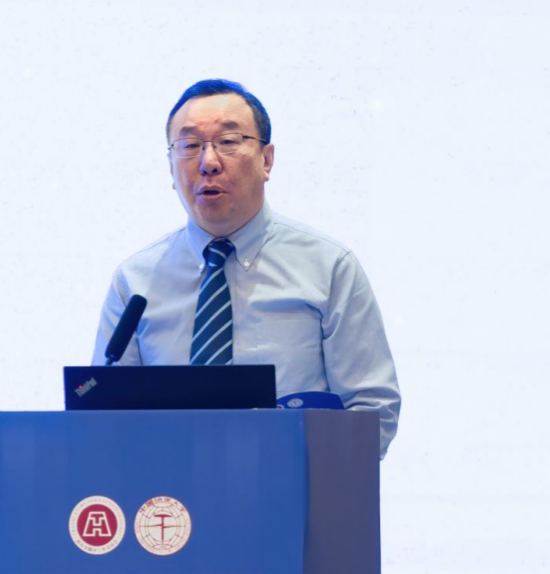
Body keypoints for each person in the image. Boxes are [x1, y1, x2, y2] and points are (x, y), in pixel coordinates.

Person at [92, 79, 401, 458]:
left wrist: (303, 478)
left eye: (228, 141)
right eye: (189, 146)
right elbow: (104, 418)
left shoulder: (329, 267)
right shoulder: (134, 281)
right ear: (170, 167)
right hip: (171, 493)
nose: (208, 162)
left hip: (292, 489)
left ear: (266, 160)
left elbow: (373, 411)